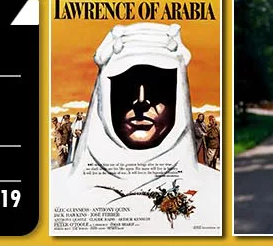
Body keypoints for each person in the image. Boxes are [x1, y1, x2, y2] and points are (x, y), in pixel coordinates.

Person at [50, 21, 222, 234]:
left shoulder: (219, 193)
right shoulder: (52, 192)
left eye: (158, 87)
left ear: (179, 96)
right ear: (104, 95)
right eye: (126, 86)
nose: (141, 101)